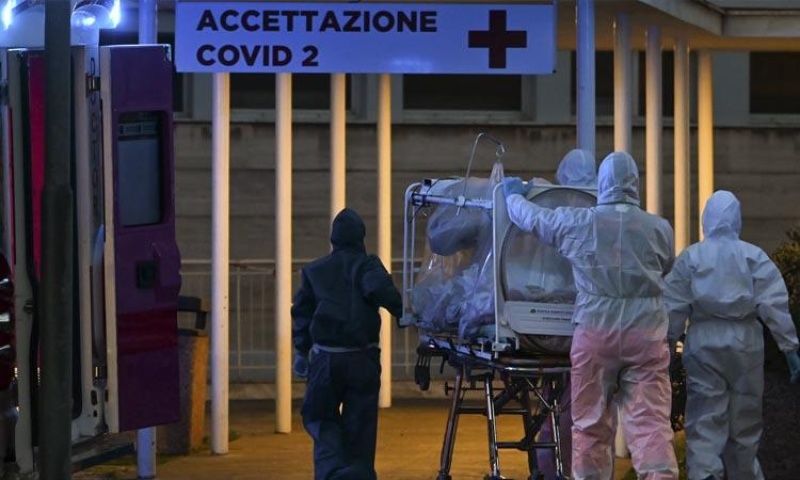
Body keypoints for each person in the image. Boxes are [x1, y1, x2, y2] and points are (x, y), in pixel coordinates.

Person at [503, 152, 679, 479]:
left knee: (589, 425)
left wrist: (512, 197)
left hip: (596, 332)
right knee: (651, 424)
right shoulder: (659, 229)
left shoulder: (581, 223)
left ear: (603, 182)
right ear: (635, 182)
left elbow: (535, 219)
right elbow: (667, 266)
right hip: (646, 333)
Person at [664, 190, 800, 480]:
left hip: (704, 340)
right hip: (746, 342)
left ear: (706, 220)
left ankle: (706, 473)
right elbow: (774, 304)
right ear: (737, 219)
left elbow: (673, 306)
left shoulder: (692, 257)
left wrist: (667, 347)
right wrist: (789, 348)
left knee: (705, 416)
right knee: (745, 421)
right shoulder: (753, 256)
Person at [291, 208, 403, 480]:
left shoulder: (314, 271)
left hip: (325, 359)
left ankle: (332, 471)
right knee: (361, 421)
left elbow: (302, 313)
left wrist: (301, 351)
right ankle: (358, 472)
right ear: (360, 237)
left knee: (319, 416)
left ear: (334, 239)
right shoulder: (367, 265)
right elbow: (381, 291)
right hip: (362, 358)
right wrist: (404, 313)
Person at [535, 148, 596, 480]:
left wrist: (512, 198)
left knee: (554, 408)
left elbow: (539, 272)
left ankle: (552, 468)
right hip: (593, 328)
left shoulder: (557, 211)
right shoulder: (604, 213)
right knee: (588, 410)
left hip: (551, 327)